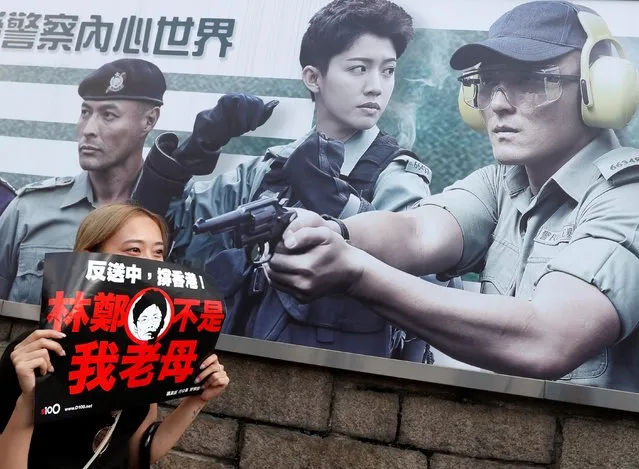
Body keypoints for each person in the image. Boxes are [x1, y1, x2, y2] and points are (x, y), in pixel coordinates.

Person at [265, 0, 639, 392]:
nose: (497, 103)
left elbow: (549, 338)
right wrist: (334, 233)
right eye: (490, 82)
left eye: (531, 82)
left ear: (598, 87)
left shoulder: (628, 196)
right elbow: (417, 232)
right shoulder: (503, 184)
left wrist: (356, 273)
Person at [134, 0, 452, 362]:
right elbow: (162, 236)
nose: (376, 87)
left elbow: (419, 273)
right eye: (358, 68)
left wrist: (343, 206)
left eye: (388, 70)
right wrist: (193, 153)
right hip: (234, 370)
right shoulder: (268, 170)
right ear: (314, 77)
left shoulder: (397, 175)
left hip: (340, 386)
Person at [0, 203, 230, 469]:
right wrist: (30, 402)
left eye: (158, 252)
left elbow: (138, 452)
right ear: (88, 258)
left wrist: (198, 399)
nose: (150, 264)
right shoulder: (36, 353)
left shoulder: (151, 346)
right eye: (133, 249)